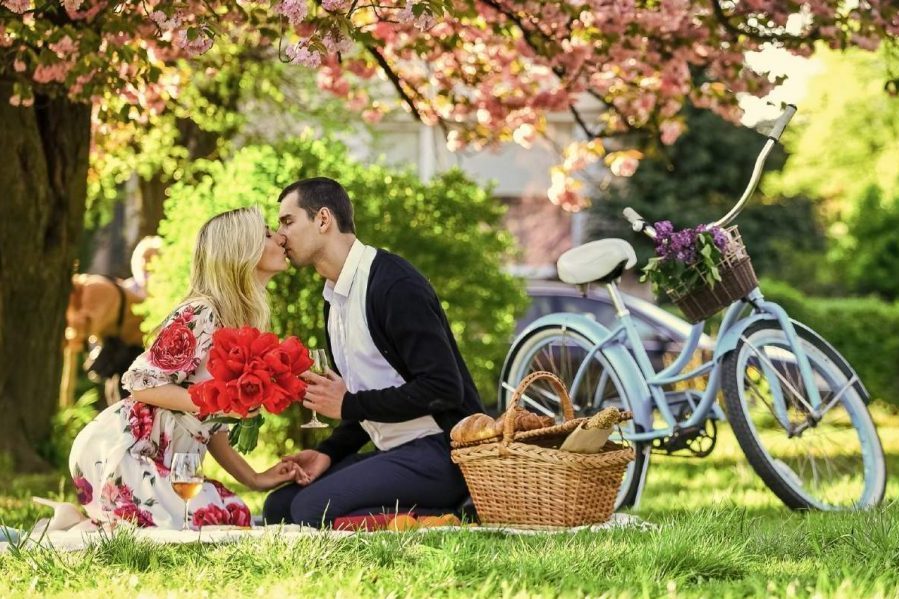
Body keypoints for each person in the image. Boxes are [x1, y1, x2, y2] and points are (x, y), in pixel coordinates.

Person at [264, 177, 482, 527]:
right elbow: (365, 402)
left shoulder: (393, 284)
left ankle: (455, 513)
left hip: (443, 453)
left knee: (309, 511)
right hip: (394, 453)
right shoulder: (333, 299)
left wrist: (348, 404)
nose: (280, 235)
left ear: (323, 219)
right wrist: (328, 452)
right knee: (280, 507)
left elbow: (443, 389)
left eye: (288, 221)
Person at [69, 207, 300, 529]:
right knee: (213, 521)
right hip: (123, 452)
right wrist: (216, 399)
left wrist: (256, 478)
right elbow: (140, 382)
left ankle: (84, 521)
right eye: (266, 233)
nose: (281, 237)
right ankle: (89, 520)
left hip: (172, 463)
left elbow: (209, 426)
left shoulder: (240, 320)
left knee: (233, 514)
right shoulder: (201, 312)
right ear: (241, 248)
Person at [63, 236, 162, 406]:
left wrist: (71, 333)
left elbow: (83, 329)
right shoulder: (81, 300)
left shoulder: (94, 289)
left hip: (146, 344)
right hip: (133, 350)